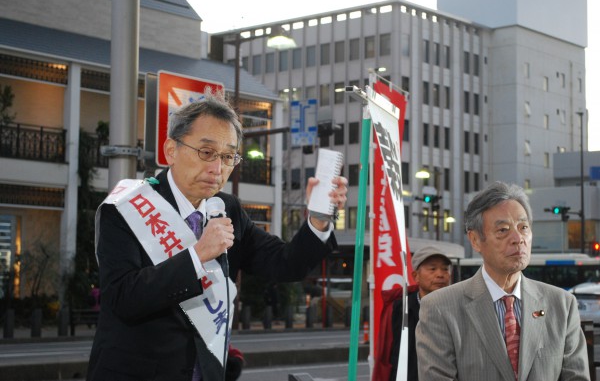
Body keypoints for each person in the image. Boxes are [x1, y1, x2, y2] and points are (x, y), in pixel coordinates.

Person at [86, 91, 348, 381]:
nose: (217, 169)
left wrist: (318, 219)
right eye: (206, 153)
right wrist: (197, 256)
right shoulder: (127, 207)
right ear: (171, 150)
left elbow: (284, 263)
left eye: (228, 157)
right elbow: (123, 298)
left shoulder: (227, 208)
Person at [416, 181, 590, 381]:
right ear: (475, 240)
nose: (518, 238)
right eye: (503, 230)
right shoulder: (440, 308)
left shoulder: (562, 304)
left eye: (523, 227)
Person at [382, 246, 452, 381]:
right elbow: (393, 354)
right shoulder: (401, 308)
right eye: (432, 269)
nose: (440, 274)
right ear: (416, 276)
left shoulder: (457, 306)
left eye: (445, 269)